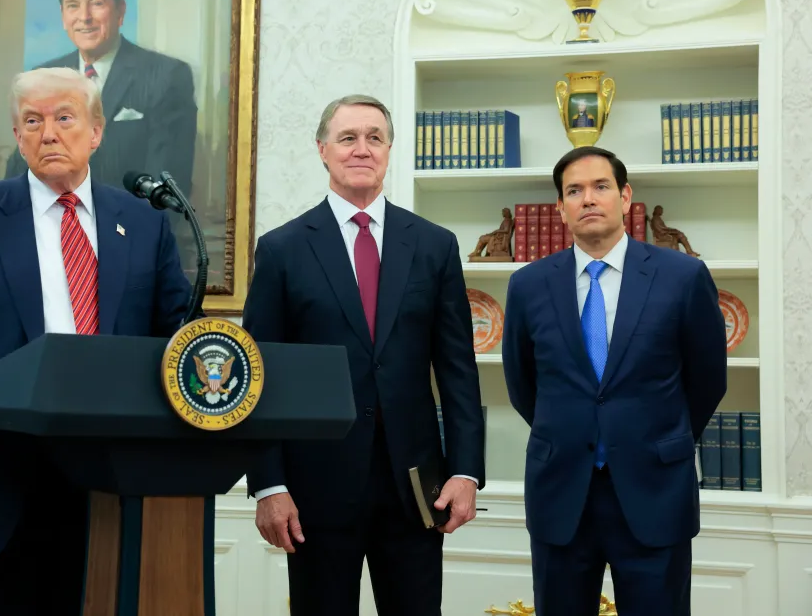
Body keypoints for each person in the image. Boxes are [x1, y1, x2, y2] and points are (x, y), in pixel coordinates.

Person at [0, 67, 192, 615]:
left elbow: (178, 332)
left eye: (64, 118)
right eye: (32, 121)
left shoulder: (144, 222)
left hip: (108, 487)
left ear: (96, 131)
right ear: (17, 135)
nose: (48, 133)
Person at [242, 94, 486, 615]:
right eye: (348, 137)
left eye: (375, 138)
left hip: (417, 489)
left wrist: (466, 471)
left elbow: (458, 371)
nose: (362, 148)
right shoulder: (282, 249)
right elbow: (259, 376)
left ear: (389, 149)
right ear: (322, 150)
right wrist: (268, 484)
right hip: (315, 488)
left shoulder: (434, 245)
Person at [501, 146, 727, 616]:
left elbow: (707, 379)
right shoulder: (528, 284)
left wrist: (660, 438)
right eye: (574, 191)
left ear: (625, 197)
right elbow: (523, 384)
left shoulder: (683, 276)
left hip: (655, 489)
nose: (588, 199)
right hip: (562, 493)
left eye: (600, 186)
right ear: (560, 207)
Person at [4, 0, 197, 202]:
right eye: (73, 5)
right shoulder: (43, 76)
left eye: (96, 3)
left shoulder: (166, 76)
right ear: (63, 15)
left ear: (120, 11)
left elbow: (168, 189)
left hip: (126, 224)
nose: (84, 17)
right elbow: (19, 170)